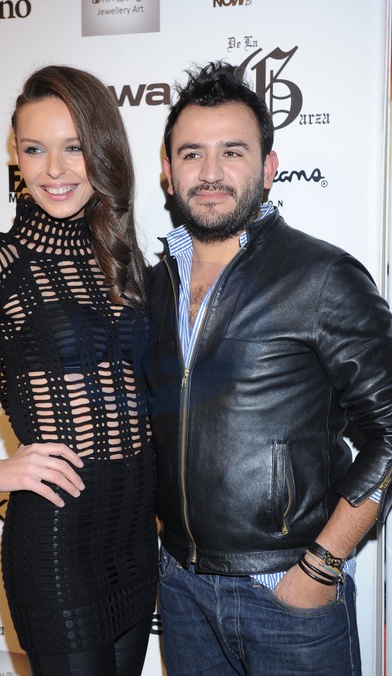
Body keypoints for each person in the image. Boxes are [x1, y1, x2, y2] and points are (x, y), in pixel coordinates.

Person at [143, 60, 392, 675]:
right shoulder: (153, 285)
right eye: (192, 154)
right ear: (168, 171)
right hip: (180, 587)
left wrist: (320, 567)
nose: (211, 173)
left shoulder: (321, 276)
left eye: (233, 152)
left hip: (286, 594)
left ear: (268, 167)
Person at [0, 65, 158, 676]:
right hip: (60, 543)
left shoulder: (123, 259)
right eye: (35, 149)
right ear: (16, 153)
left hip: (136, 540)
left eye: (74, 148)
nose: (54, 170)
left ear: (103, 151)